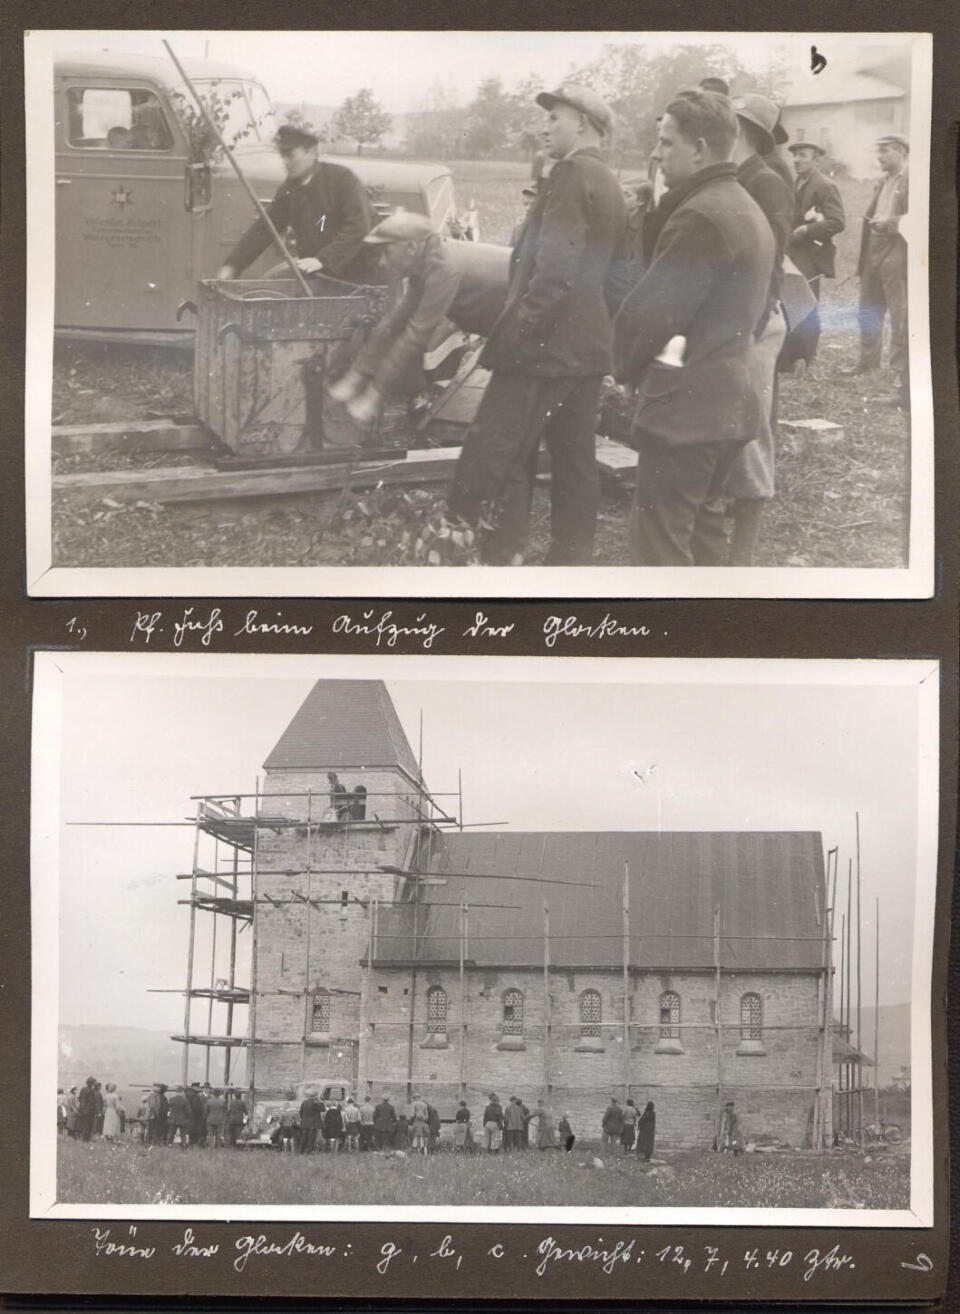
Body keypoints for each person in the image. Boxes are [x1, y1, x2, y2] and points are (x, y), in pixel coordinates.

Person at [448, 83, 627, 566]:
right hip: (585, 349)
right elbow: (619, 276)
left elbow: (554, 270)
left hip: (541, 350)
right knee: (575, 462)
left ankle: (496, 556)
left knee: (501, 453)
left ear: (584, 125)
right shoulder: (609, 181)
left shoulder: (569, 174)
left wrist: (518, 333)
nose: (545, 127)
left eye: (556, 118)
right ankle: (571, 564)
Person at [614, 89, 775, 567]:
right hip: (728, 404)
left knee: (659, 550)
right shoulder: (743, 205)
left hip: (686, 413)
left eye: (666, 143)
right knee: (705, 542)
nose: (656, 154)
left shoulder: (701, 215)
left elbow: (651, 313)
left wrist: (622, 366)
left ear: (700, 149)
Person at [328, 212, 510, 426]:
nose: (382, 262)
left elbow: (415, 336)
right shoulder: (427, 262)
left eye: (387, 252)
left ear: (411, 248)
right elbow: (394, 322)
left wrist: (374, 395)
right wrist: (356, 375)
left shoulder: (445, 269)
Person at [723, 93, 794, 566]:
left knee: (751, 429)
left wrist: (749, 322)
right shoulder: (738, 177)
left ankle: (743, 551)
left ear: (742, 129)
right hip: (735, 318)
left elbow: (771, 261)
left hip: (755, 322)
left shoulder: (765, 182)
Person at [217, 123, 378, 286]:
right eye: (282, 155)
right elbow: (265, 229)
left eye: (290, 155)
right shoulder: (289, 190)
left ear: (311, 152)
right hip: (320, 277)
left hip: (358, 280)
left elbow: (358, 227)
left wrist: (324, 260)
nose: (285, 162)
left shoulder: (341, 179)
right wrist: (233, 266)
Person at [843, 133, 910, 408]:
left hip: (897, 252)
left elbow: (921, 216)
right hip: (874, 250)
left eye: (884, 152)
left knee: (900, 314)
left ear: (900, 152)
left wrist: (891, 223)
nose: (879, 157)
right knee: (868, 308)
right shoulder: (883, 181)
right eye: (878, 151)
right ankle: (867, 362)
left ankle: (899, 375)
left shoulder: (912, 180)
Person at [779, 140, 845, 373]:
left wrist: (807, 230)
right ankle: (790, 357)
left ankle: (806, 357)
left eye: (803, 155)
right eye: (795, 155)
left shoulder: (824, 185)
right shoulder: (797, 182)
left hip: (811, 252)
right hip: (793, 251)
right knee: (789, 298)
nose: (797, 160)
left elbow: (837, 221)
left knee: (805, 302)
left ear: (816, 160)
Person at [298, 1089, 324, 1154]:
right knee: (311, 1138)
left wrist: (304, 1119)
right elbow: (323, 1109)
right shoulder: (315, 1103)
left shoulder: (304, 1102)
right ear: (315, 1096)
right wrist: (320, 1101)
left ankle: (300, 1151)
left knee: (304, 1137)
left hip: (305, 1123)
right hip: (313, 1123)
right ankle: (309, 1151)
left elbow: (301, 1112)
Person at [77, 1077, 98, 1142]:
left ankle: (83, 1138)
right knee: (89, 1125)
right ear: (92, 1083)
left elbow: (79, 1098)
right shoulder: (92, 1091)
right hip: (89, 1110)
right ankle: (86, 1139)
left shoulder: (83, 1089)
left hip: (82, 1109)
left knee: (83, 1124)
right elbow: (92, 1102)